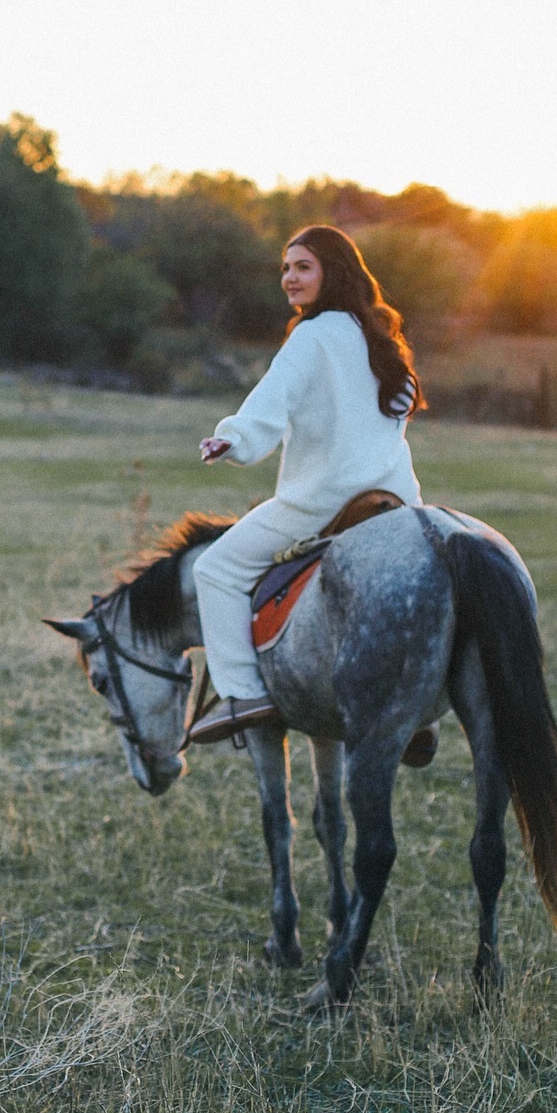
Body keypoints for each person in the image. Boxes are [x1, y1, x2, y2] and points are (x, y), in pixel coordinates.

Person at [189, 223, 424, 745]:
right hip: (396, 505)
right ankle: (417, 711)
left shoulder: (311, 337)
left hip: (322, 503)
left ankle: (244, 693)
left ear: (331, 273)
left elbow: (268, 407)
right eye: (286, 268)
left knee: (216, 570)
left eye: (303, 267)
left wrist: (231, 438)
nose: (289, 279)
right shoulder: (382, 339)